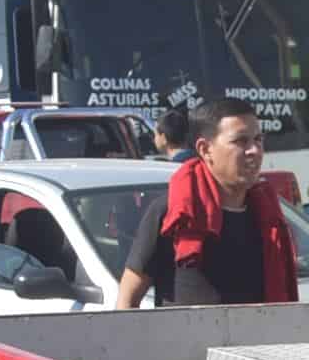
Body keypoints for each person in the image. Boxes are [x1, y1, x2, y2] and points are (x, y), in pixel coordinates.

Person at [116, 97, 298, 309]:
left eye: (258, 140)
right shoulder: (173, 213)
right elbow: (127, 299)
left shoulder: (269, 216)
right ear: (204, 149)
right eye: (240, 141)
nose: (255, 151)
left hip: (258, 340)